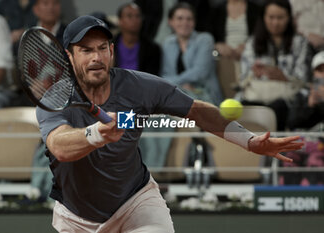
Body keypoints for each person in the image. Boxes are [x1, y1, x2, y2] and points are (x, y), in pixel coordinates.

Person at [36, 15, 304, 232]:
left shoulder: (140, 86)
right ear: (69, 57)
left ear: (112, 51)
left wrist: (249, 140)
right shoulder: (54, 99)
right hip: (75, 218)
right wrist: (97, 134)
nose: (96, 57)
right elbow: (59, 146)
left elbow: (198, 111)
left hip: (135, 204)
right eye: (85, 50)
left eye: (102, 48)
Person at [238, 0, 312, 130]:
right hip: (257, 94)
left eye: (280, 18)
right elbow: (243, 78)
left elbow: (304, 79)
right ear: (263, 17)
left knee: (279, 107)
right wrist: (255, 73)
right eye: (271, 17)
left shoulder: (300, 43)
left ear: (289, 18)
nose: (275, 22)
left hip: (287, 97)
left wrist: (283, 76)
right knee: (243, 107)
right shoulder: (252, 42)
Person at [161, 2, 223, 104]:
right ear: (170, 22)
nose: (185, 23)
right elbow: (165, 74)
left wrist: (174, 83)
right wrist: (180, 86)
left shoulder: (205, 39)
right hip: (177, 95)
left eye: (189, 19)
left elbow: (199, 72)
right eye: (180, 18)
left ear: (194, 22)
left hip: (205, 95)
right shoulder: (167, 43)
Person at [113, 2, 161, 76]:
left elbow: (152, 78)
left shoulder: (153, 49)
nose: (135, 20)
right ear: (120, 21)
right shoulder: (109, 45)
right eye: (129, 16)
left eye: (138, 16)